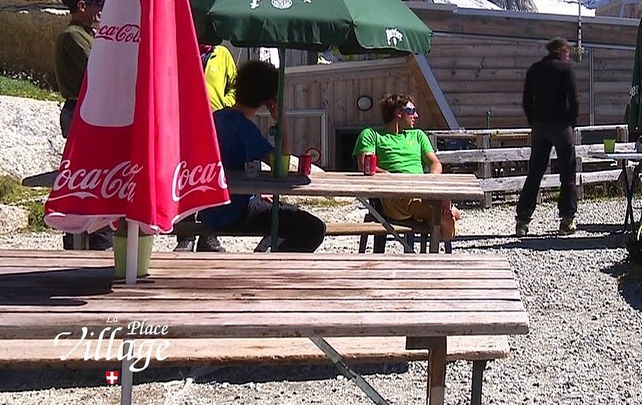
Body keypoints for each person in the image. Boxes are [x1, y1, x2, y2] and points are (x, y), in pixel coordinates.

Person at [200, 60, 326, 252]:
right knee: (314, 228)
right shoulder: (246, 129)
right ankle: (270, 265)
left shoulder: (216, 118)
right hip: (234, 213)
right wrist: (282, 121)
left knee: (282, 215)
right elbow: (281, 167)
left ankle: (264, 253)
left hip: (210, 210)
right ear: (269, 99)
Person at [353, 93, 461, 242]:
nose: (416, 115)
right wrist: (394, 177)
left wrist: (432, 180)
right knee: (449, 214)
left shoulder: (418, 135)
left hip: (422, 190)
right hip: (394, 195)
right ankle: (443, 216)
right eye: (411, 111)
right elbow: (365, 165)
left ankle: (442, 212)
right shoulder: (372, 135)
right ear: (398, 113)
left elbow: (435, 163)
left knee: (445, 214)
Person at [52, 0, 111, 251]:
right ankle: (85, 236)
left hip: (88, 110)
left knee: (94, 175)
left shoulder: (87, 33)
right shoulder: (73, 35)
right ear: (82, 7)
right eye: (98, 4)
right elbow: (97, 68)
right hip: (80, 111)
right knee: (87, 177)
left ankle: (92, 234)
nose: (101, 9)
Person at [174, 42, 237, 253]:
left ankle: (209, 236)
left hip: (216, 124)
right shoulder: (182, 45)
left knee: (212, 179)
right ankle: (185, 235)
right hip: (184, 123)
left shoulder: (223, 54)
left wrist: (223, 105)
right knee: (184, 178)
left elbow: (234, 86)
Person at [515, 37, 579, 236]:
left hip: (540, 125)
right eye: (567, 52)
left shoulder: (534, 69)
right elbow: (574, 99)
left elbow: (526, 100)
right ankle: (567, 218)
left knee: (535, 172)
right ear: (561, 51)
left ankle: (523, 220)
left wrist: (533, 120)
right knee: (567, 171)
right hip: (561, 125)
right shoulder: (565, 69)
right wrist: (571, 122)